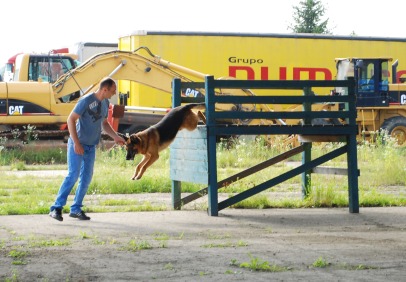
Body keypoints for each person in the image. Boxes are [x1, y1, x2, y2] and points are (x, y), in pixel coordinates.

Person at [49, 77, 125, 221]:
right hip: (77, 145)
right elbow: (70, 119)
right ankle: (56, 208)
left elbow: (105, 123)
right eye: (113, 90)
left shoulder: (105, 103)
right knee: (73, 175)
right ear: (105, 89)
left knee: (86, 178)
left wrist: (115, 137)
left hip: (90, 147)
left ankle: (76, 209)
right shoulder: (85, 100)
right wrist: (77, 143)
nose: (114, 94)